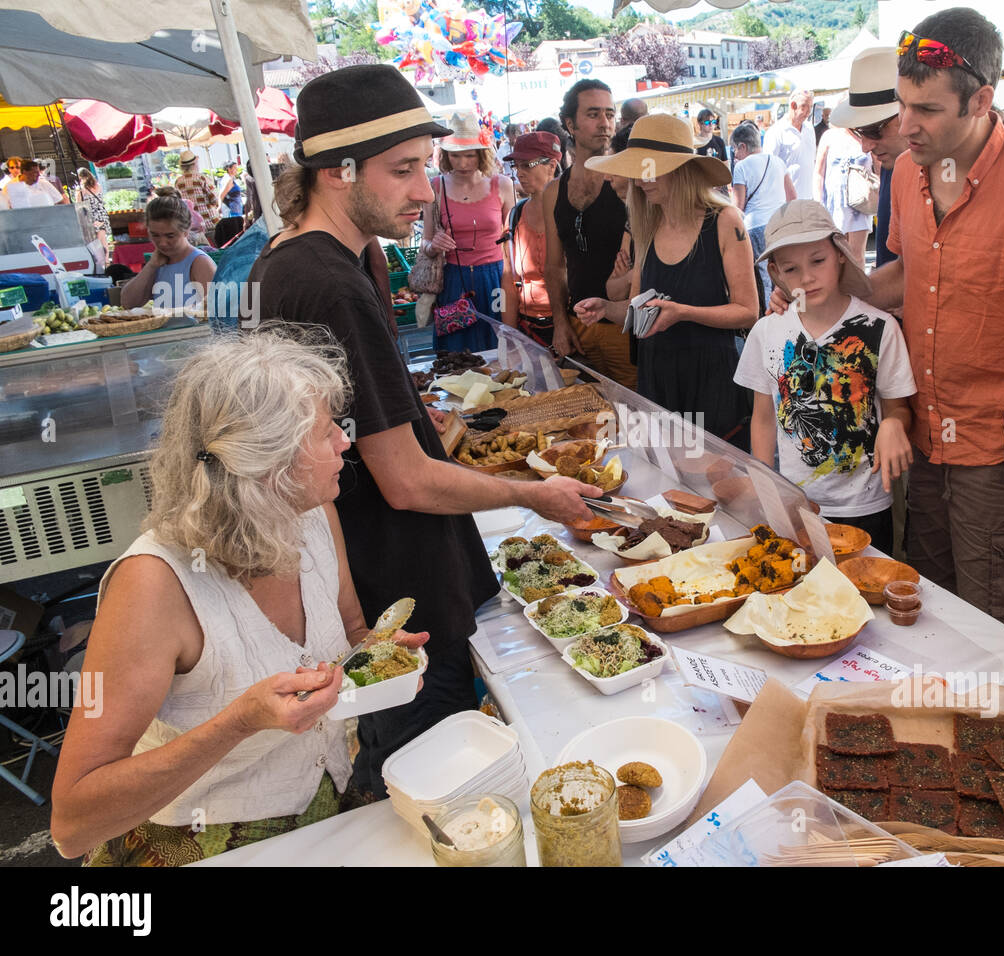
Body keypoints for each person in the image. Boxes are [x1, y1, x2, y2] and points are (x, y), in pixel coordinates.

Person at [245, 64, 598, 796]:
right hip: (395, 594)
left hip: (376, 582)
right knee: (432, 785)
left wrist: (406, 411)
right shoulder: (327, 280)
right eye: (402, 170)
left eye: (425, 168)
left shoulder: (316, 255)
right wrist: (532, 495)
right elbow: (403, 482)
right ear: (336, 172)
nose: (420, 191)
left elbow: (353, 422)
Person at [49, 330, 433, 865]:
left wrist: (382, 652)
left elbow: (350, 633)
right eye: (325, 434)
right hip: (197, 841)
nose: (345, 443)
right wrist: (239, 721)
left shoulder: (315, 515)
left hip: (324, 812)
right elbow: (72, 823)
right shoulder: (153, 585)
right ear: (267, 465)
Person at [778, 9, 1004, 628]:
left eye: (925, 110)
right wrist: (823, 298)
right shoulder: (907, 170)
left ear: (982, 99)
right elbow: (907, 273)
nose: (906, 124)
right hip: (923, 435)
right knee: (930, 605)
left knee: (995, 617)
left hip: (1000, 448)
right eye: (903, 105)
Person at [737, 201, 916, 553]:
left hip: (865, 507)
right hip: (795, 505)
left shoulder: (881, 329)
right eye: (791, 268)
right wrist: (764, 483)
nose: (806, 277)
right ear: (775, 272)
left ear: (841, 254)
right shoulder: (766, 332)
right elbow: (763, 416)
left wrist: (896, 423)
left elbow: (899, 409)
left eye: (818, 261)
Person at [578, 114, 758, 447]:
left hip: (710, 377)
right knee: (669, 479)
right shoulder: (646, 225)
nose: (642, 181)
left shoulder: (724, 220)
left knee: (714, 483)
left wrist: (684, 312)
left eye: (651, 170)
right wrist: (605, 308)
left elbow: (748, 311)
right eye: (638, 173)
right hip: (657, 374)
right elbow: (637, 310)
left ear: (682, 169)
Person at [541, 79, 637, 387]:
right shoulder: (554, 191)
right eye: (593, 114)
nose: (604, 123)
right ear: (570, 123)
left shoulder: (627, 182)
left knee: (636, 422)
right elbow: (554, 266)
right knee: (586, 424)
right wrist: (559, 322)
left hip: (624, 328)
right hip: (577, 325)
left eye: (610, 114)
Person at [419, 111, 515, 351]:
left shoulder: (502, 185)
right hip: (454, 281)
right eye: (455, 156)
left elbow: (513, 242)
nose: (462, 163)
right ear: (446, 156)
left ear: (481, 154)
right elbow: (425, 243)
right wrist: (434, 245)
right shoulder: (436, 187)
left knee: (498, 349)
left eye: (469, 156)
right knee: (456, 355)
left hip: (495, 279)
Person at [831, 46, 908, 269]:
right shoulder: (893, 166)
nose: (865, 146)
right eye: (859, 132)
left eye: (874, 130)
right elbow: (895, 270)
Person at [501, 131, 563, 347]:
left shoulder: (571, 214)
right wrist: (508, 336)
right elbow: (508, 281)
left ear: (552, 165)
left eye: (527, 165)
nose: (519, 173)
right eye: (516, 166)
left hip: (573, 327)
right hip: (528, 330)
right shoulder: (514, 216)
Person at [729, 121, 796, 302]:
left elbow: (738, 207)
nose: (735, 154)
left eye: (735, 149)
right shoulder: (778, 161)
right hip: (779, 224)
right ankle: (790, 315)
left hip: (755, 227)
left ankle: (768, 318)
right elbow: (792, 197)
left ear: (742, 146)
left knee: (764, 277)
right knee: (782, 274)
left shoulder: (741, 167)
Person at [120, 187, 216, 310]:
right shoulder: (157, 265)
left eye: (170, 235)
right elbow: (128, 303)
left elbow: (219, 310)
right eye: (155, 235)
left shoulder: (199, 263)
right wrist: (151, 266)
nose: (163, 243)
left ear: (186, 231)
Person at [814, 122, 875, 266]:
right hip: (834, 204)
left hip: (861, 204)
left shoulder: (866, 134)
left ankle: (857, 288)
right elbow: (818, 172)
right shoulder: (829, 136)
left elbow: (878, 166)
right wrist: (818, 203)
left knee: (856, 254)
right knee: (835, 253)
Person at [764, 89, 818, 199]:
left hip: (809, 199)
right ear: (793, 105)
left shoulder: (809, 128)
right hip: (786, 201)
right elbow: (769, 169)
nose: (808, 112)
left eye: (810, 107)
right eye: (804, 106)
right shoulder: (776, 132)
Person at [174, 150, 220, 235]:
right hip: (208, 223)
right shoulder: (202, 178)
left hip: (191, 226)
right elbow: (214, 199)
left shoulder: (178, 182)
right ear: (194, 164)